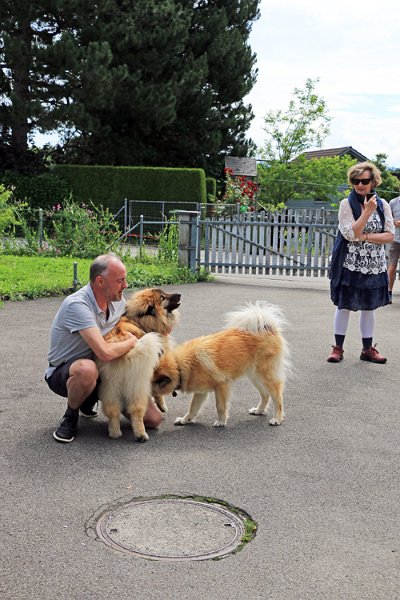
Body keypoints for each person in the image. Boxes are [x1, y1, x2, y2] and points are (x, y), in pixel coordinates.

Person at [45, 253, 162, 443]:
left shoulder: (118, 303)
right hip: (65, 372)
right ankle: (71, 415)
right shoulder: (77, 305)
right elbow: (104, 353)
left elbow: (139, 323)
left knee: (153, 419)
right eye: (120, 281)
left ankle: (88, 399)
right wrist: (132, 342)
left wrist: (161, 330)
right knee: (86, 370)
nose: (125, 285)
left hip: (105, 373)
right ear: (100, 281)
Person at [327, 161, 394, 364]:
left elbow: (390, 235)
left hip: (374, 264)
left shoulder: (384, 205)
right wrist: (366, 213)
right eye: (356, 181)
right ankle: (338, 348)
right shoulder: (346, 204)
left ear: (373, 181)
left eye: (364, 180)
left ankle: (367, 349)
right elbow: (349, 234)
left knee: (369, 307)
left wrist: (364, 237)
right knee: (344, 306)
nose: (360, 185)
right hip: (350, 263)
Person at [387, 195, 400, 304]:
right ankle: (388, 292)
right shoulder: (393, 202)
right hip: (395, 239)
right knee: (392, 266)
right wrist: (394, 222)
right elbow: (387, 219)